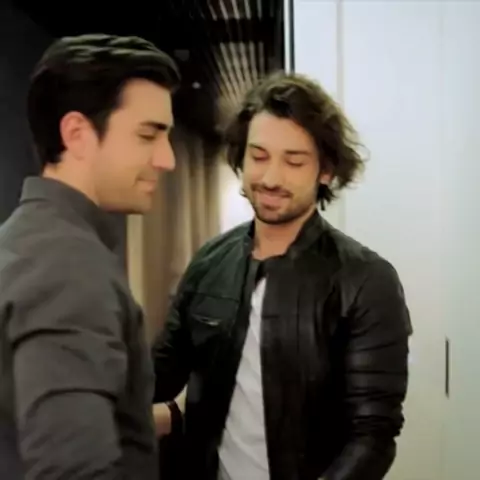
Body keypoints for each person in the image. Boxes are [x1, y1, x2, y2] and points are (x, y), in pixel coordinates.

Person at [152, 71, 413, 480]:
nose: (271, 178)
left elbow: (373, 436)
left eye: (294, 161)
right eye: (258, 156)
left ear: (325, 170)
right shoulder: (209, 263)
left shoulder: (365, 280)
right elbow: (159, 378)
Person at [0, 34, 180, 480]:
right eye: (148, 134)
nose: (167, 159)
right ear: (77, 134)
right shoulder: (69, 270)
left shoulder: (23, 242)